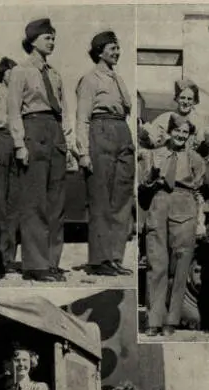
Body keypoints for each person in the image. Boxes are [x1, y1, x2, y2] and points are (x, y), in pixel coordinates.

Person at [9, 18, 71, 282]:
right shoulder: (20, 71)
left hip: (54, 131)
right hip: (33, 129)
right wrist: (19, 144)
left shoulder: (55, 74)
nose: (52, 41)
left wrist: (67, 141)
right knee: (35, 203)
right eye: (47, 37)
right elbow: (13, 110)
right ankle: (35, 265)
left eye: (54, 37)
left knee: (56, 203)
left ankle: (52, 261)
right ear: (33, 41)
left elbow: (64, 110)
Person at [140, 114, 208, 337]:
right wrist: (153, 174)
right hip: (159, 204)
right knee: (156, 264)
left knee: (180, 267)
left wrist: (199, 219)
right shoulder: (155, 154)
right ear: (169, 132)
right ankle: (154, 320)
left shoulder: (195, 158)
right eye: (177, 131)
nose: (180, 135)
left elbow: (201, 187)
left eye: (185, 133)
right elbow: (143, 187)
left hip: (184, 206)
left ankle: (172, 320)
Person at [77, 30, 135, 277]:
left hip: (122, 132)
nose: (117, 52)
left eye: (118, 47)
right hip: (100, 132)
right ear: (99, 51)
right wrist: (83, 152)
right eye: (112, 47)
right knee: (101, 200)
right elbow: (82, 118)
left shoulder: (117, 79)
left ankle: (114, 257)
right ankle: (99, 260)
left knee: (121, 200)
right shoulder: (90, 79)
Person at [0, 56, 18, 276]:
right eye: (12, 72)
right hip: (0, 140)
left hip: (17, 142)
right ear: (4, 72)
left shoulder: (19, 93)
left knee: (14, 204)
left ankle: (10, 257)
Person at [139, 79, 209, 153]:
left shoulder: (199, 122)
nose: (185, 102)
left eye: (189, 99)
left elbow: (202, 149)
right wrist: (145, 137)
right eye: (182, 98)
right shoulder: (164, 118)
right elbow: (150, 143)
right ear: (177, 99)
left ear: (194, 101)